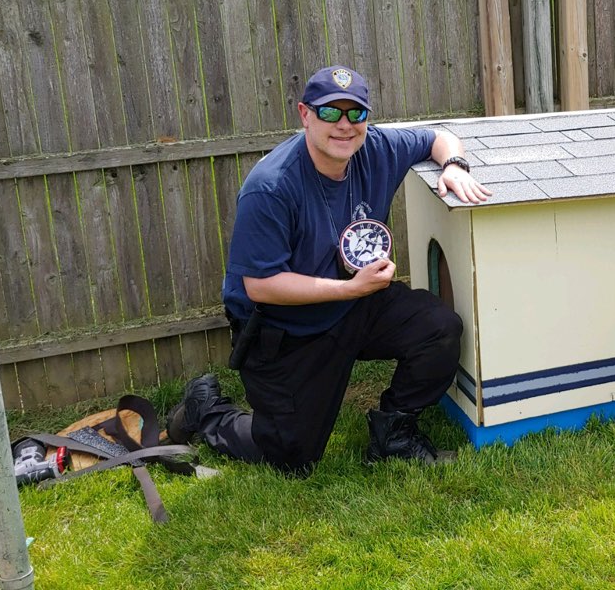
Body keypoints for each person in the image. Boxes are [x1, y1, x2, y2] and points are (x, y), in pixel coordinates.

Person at [167, 65, 491, 476]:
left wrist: (455, 165)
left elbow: (438, 137)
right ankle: (206, 409)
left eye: (355, 114)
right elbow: (261, 286)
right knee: (290, 455)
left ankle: (395, 432)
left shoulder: (377, 149)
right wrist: (352, 289)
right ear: (305, 115)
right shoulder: (271, 186)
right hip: (286, 327)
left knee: (439, 327)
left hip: (355, 300)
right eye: (329, 112)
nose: (344, 125)